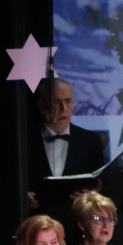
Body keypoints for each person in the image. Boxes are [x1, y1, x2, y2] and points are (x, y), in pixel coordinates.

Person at [27, 78, 106, 225]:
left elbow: (105, 189)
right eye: (56, 103)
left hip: (77, 226)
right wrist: (23, 197)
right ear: (41, 105)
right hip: (35, 225)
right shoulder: (25, 141)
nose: (63, 108)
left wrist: (94, 194)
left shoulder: (90, 141)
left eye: (68, 101)